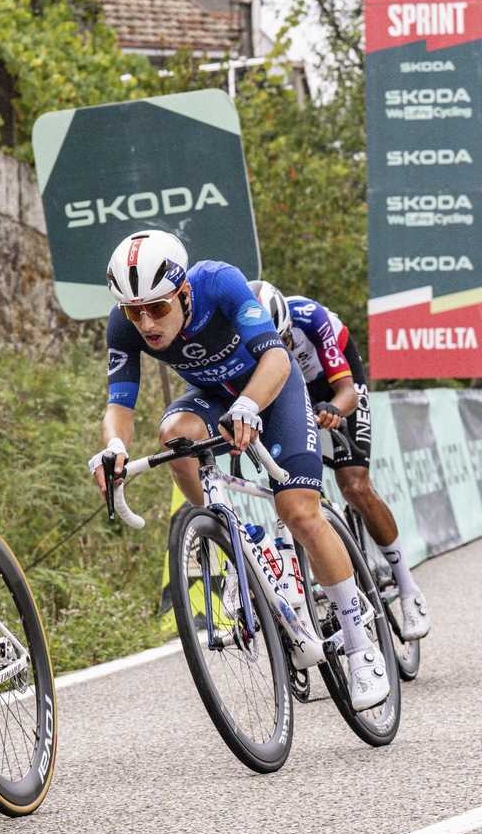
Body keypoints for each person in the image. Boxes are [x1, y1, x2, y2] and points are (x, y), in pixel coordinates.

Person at [88, 230, 390, 711]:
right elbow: (118, 402)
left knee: (299, 511)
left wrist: (251, 404)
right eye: (133, 310)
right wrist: (116, 446)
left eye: (158, 308)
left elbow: (274, 357)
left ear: (184, 291)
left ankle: (360, 644)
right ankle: (232, 535)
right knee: (174, 435)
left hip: (272, 388)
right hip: (214, 398)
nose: (145, 322)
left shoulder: (219, 283)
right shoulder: (124, 324)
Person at [248, 280, 431, 642]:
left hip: (332, 384)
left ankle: (408, 588)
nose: (280, 348)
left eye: (284, 341)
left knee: (355, 484)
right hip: (281, 388)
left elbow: (346, 391)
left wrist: (334, 409)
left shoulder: (311, 320)